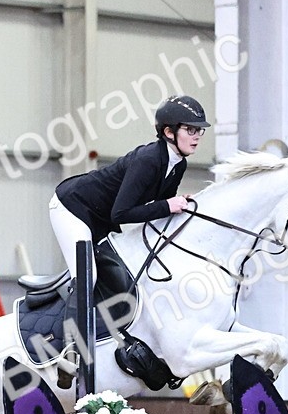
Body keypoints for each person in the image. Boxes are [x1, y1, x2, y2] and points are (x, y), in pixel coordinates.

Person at [49, 94, 208, 278]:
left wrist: (176, 206)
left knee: (115, 275)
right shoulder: (147, 160)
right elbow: (121, 214)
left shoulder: (179, 164)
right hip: (72, 208)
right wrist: (167, 205)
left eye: (198, 130)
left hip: (103, 217)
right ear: (169, 132)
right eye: (190, 130)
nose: (196, 137)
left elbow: (161, 210)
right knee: (87, 278)